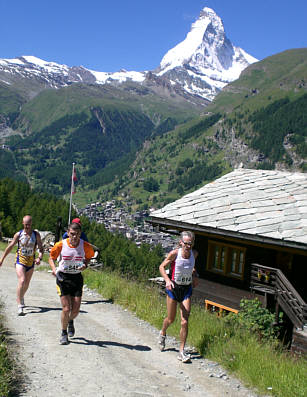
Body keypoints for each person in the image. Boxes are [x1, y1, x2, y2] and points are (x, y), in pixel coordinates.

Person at [49, 222, 94, 345]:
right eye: (72, 234)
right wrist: (54, 270)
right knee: (66, 308)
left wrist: (85, 264)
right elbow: (51, 257)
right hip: (63, 278)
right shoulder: (61, 245)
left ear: (80, 234)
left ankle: (69, 321)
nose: (75, 237)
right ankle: (63, 333)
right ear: (68, 233)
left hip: (76, 278)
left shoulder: (85, 246)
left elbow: (89, 257)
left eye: (77, 234)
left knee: (75, 310)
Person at [158, 231, 199, 363]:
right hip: (174, 288)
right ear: (181, 242)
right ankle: (163, 332)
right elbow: (162, 267)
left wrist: (195, 276)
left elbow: (192, 267)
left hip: (186, 289)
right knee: (170, 319)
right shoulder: (174, 254)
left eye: (190, 243)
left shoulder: (194, 254)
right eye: (186, 243)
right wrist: (167, 281)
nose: (188, 246)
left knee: (185, 321)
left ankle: (181, 351)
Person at [0, 215, 44, 316]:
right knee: (22, 280)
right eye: (25, 225)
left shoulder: (36, 235)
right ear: (22, 224)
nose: (27, 227)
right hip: (20, 261)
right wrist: (2, 259)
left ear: (31, 224)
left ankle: (21, 296)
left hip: (30, 262)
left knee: (27, 284)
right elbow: (10, 246)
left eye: (29, 225)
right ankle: (19, 305)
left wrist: (39, 258)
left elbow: (41, 248)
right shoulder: (18, 234)